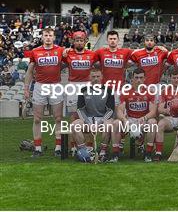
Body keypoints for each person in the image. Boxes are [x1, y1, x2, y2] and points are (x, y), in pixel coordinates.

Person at [24, 27, 65, 158]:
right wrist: (26, 89)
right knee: (37, 119)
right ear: (42, 37)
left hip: (55, 86)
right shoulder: (35, 51)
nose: (48, 37)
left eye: (50, 35)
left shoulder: (60, 50)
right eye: (46, 35)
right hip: (40, 86)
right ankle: (37, 148)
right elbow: (30, 71)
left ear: (54, 37)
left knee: (58, 118)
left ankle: (58, 147)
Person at [71, 68, 119, 162]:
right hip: (88, 119)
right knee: (74, 125)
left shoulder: (108, 90)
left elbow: (110, 111)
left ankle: (102, 152)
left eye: (98, 76)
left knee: (108, 125)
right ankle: (85, 152)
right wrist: (88, 123)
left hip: (103, 119)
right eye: (93, 77)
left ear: (102, 77)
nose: (96, 79)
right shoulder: (84, 90)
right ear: (89, 77)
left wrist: (99, 123)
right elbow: (80, 110)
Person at [116, 68, 158, 162]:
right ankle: (115, 153)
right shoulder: (126, 92)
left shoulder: (149, 92)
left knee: (153, 122)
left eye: (141, 78)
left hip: (143, 119)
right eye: (136, 77)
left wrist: (145, 117)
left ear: (144, 79)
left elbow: (153, 111)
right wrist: (124, 119)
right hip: (130, 119)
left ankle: (148, 153)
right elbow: (119, 110)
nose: (138, 80)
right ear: (132, 79)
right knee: (116, 123)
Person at [62, 31, 98, 114]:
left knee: (89, 112)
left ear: (85, 41)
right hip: (73, 85)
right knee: (74, 113)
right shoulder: (67, 53)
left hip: (88, 84)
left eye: (81, 40)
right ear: (73, 41)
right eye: (77, 40)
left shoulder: (92, 54)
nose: (79, 43)